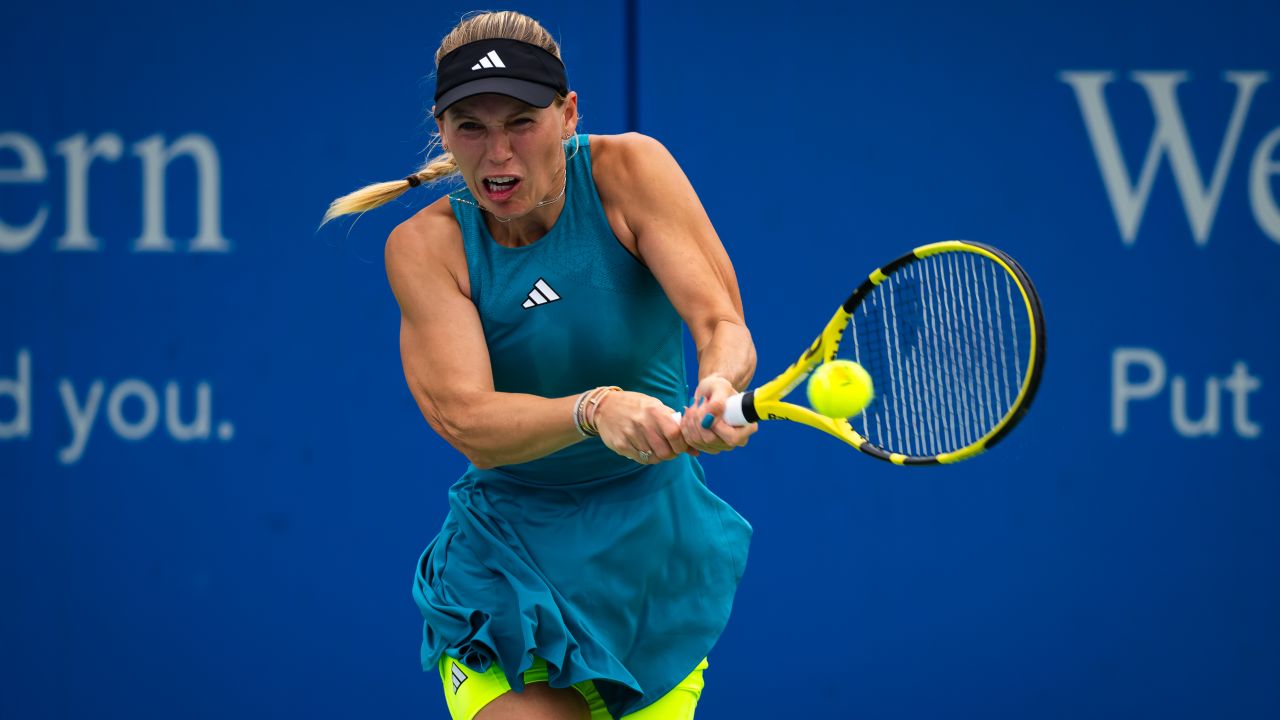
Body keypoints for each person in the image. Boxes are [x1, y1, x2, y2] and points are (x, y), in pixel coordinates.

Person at [324, 10, 755, 720]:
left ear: (567, 115)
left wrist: (718, 382)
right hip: (506, 563)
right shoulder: (424, 247)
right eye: (471, 127)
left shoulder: (630, 170)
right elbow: (468, 420)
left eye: (521, 121)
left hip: (651, 574)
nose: (498, 154)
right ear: (442, 129)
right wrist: (595, 409)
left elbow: (721, 324)